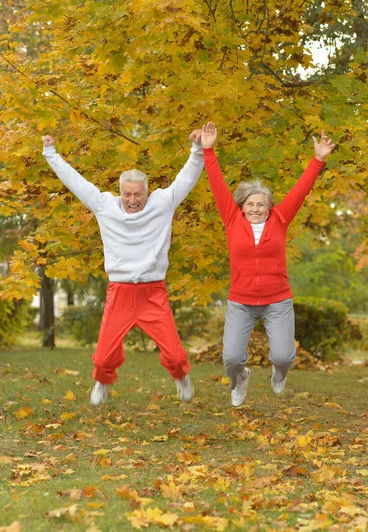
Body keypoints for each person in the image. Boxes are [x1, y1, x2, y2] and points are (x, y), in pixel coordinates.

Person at [42, 130, 204, 406]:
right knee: (104, 357)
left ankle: (181, 377)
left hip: (153, 292)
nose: (133, 200)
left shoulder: (163, 203)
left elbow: (186, 179)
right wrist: (51, 154)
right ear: (120, 193)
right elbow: (76, 182)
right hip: (120, 292)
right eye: (127, 194)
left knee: (175, 355)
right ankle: (103, 382)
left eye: (138, 194)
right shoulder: (105, 206)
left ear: (146, 193)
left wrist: (197, 149)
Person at [201, 122, 335, 407]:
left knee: (284, 356)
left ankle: (279, 373)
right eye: (250, 204)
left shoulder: (280, 219)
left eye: (261, 204)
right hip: (241, 301)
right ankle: (240, 380)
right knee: (232, 358)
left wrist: (318, 159)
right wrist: (208, 151)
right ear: (242, 206)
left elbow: (300, 190)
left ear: (270, 207)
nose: (256, 208)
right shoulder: (231, 220)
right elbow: (217, 185)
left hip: (277, 301)